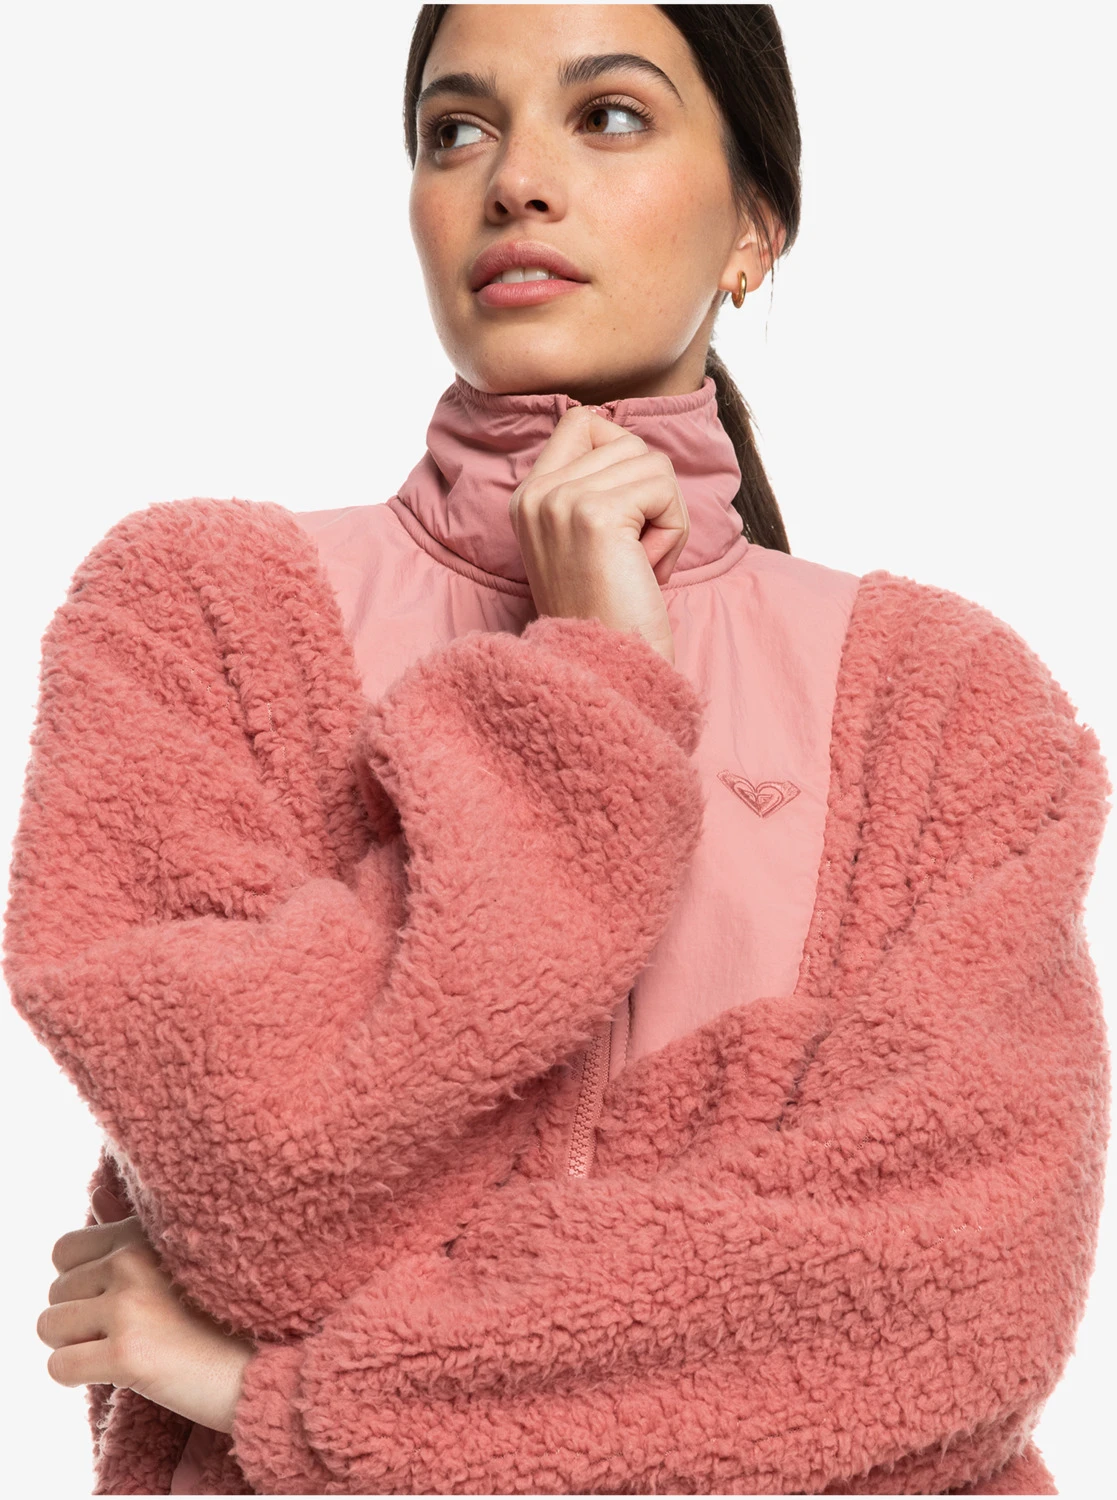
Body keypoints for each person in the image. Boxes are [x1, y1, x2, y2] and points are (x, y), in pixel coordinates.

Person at [5, 5, 1110, 1495]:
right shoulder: (201, 614)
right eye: (457, 130)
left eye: (609, 117)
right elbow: (268, 1183)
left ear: (755, 230)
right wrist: (592, 693)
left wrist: (279, 1390)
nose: (516, 179)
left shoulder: (942, 702)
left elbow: (946, 1311)